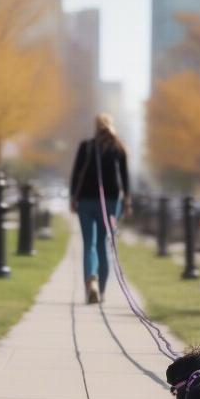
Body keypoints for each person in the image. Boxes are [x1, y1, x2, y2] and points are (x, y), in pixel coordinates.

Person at [70, 113, 131, 304]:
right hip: (111, 203)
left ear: (96, 127)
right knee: (103, 245)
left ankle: (91, 282)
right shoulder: (118, 148)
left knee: (89, 244)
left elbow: (76, 174)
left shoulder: (86, 146)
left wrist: (73, 197)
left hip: (86, 202)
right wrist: (127, 201)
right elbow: (125, 178)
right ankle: (101, 291)